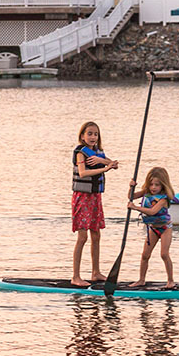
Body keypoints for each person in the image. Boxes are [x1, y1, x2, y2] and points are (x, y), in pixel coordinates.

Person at [71, 121, 119, 286]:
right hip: (82, 198)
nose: (92, 137)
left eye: (95, 134)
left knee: (96, 235)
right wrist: (105, 168)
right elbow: (83, 173)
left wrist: (104, 161)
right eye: (89, 133)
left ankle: (95, 272)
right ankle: (75, 276)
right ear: (82, 136)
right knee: (82, 237)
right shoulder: (80, 153)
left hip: (95, 197)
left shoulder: (98, 153)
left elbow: (114, 164)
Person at [128, 167, 176, 289]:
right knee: (145, 255)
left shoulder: (164, 198)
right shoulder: (146, 192)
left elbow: (153, 211)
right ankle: (141, 280)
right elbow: (131, 196)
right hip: (153, 228)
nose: (153, 187)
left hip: (165, 228)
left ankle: (170, 281)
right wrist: (131, 186)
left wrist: (136, 208)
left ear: (163, 185)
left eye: (157, 185)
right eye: (151, 184)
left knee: (164, 254)